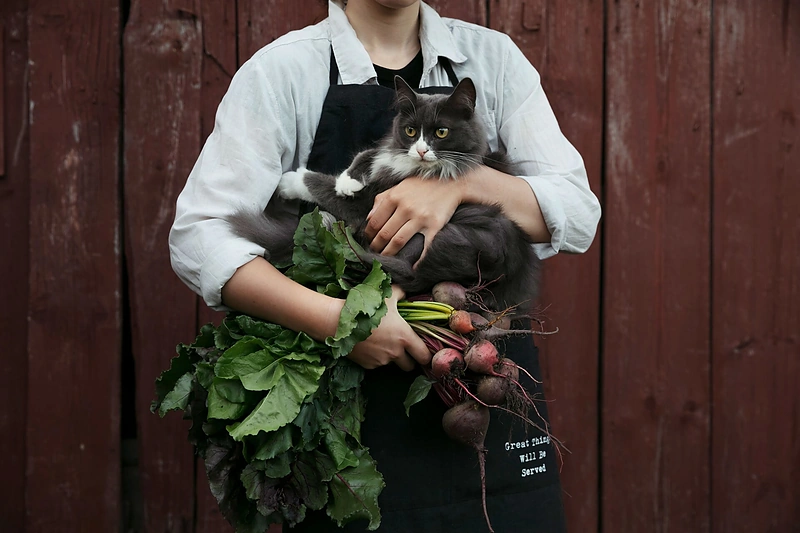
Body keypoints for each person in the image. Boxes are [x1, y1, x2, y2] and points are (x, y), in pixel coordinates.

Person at [169, 1, 601, 531]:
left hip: (479, 380)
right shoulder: (284, 70)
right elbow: (198, 236)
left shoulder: (493, 60)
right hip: (352, 415)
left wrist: (462, 182)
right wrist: (342, 321)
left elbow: (578, 214)